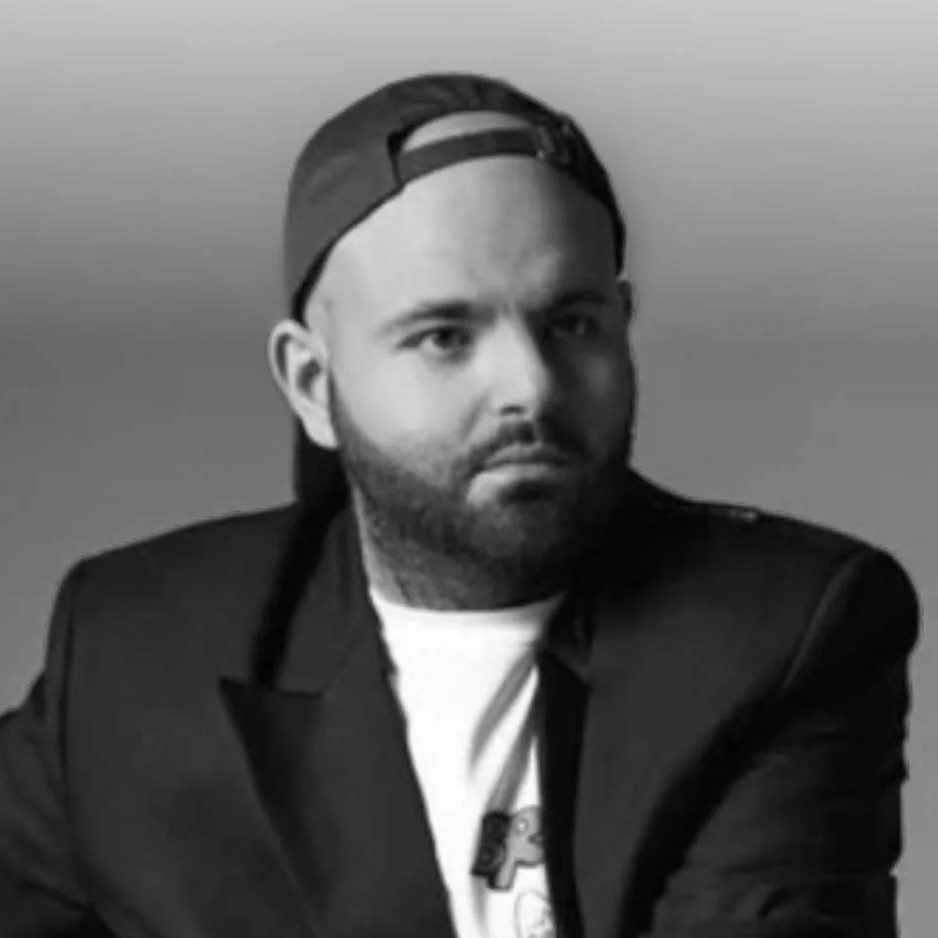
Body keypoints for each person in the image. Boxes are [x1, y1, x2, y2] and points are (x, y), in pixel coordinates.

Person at [0, 72, 920, 938]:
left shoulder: (782, 632)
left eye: (572, 323)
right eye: (445, 336)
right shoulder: (140, 648)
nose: (532, 386)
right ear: (313, 383)